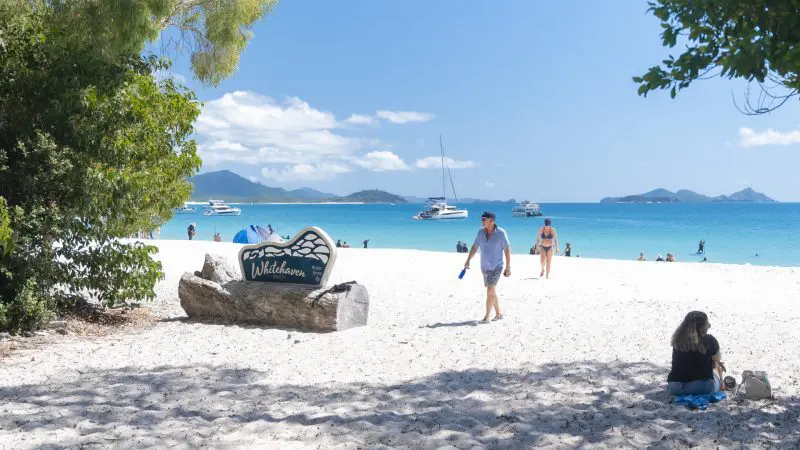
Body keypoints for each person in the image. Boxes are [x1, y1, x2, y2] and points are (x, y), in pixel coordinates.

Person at [464, 211, 511, 323]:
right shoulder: (480, 232)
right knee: (492, 291)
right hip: (484, 267)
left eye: (484, 219)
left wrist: (508, 266)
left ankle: (487, 317)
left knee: (490, 289)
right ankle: (499, 313)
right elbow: (475, 246)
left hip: (497, 266)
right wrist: (468, 260)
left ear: (491, 221)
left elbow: (507, 249)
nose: (482, 221)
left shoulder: (501, 233)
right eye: (482, 219)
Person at [667, 311, 725, 395]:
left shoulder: (677, 340)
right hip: (702, 388)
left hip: (675, 388)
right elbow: (717, 359)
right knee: (717, 367)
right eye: (706, 323)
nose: (709, 325)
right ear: (701, 327)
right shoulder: (710, 340)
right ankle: (722, 384)